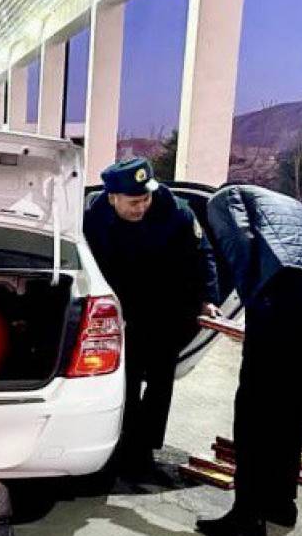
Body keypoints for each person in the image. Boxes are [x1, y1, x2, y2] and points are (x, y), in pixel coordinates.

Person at [196, 185, 302, 536]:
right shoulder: (289, 204)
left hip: (287, 287)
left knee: (255, 407)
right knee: (293, 402)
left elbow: (240, 242)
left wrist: (255, 309)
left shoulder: (224, 199)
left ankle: (247, 515)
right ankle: (281, 504)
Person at [83, 157, 221, 481]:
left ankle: (144, 455)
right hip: (120, 308)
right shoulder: (93, 218)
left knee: (160, 383)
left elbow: (203, 254)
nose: (141, 207)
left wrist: (207, 298)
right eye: (133, 202)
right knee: (125, 382)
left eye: (145, 198)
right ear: (113, 197)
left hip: (165, 306)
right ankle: (117, 451)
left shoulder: (176, 211)